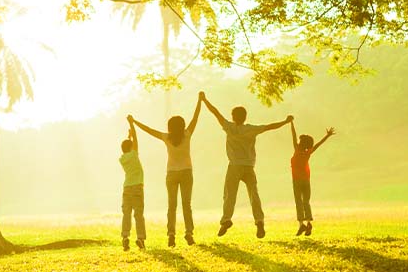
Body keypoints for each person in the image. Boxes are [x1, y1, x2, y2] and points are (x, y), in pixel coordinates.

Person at [201, 92, 293, 239]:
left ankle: (226, 220)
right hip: (249, 166)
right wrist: (286, 121)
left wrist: (205, 100)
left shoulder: (229, 127)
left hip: (234, 166)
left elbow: (215, 112)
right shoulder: (251, 129)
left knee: (229, 194)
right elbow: (270, 126)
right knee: (253, 194)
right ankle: (259, 221)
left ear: (233, 117)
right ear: (245, 117)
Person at [129, 93, 203, 247]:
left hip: (171, 174)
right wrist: (200, 100)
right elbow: (195, 118)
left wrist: (134, 122)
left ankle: (171, 234)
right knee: (186, 204)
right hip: (186, 172)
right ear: (182, 126)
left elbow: (149, 130)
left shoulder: (166, 137)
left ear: (169, 127)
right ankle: (189, 233)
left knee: (172, 205)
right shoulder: (187, 134)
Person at [290, 121, 335, 236]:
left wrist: (291, 123)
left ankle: (301, 225)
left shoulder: (296, 150)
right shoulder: (308, 152)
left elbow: (293, 135)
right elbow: (318, 144)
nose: (298, 142)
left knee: (298, 202)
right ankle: (308, 222)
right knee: (306, 202)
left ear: (301, 144)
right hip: (306, 181)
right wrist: (327, 135)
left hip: (297, 181)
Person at [118, 117, 146, 251]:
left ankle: (125, 237)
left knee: (126, 214)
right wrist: (132, 123)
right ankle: (140, 238)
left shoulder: (122, 159)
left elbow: (127, 146)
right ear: (131, 147)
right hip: (137, 188)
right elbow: (136, 139)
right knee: (138, 214)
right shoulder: (134, 155)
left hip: (127, 188)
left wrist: (128, 137)